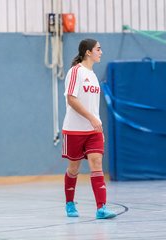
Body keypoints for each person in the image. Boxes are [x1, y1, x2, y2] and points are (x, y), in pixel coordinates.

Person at [61, 38, 117, 219]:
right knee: (74, 168)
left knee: (97, 164)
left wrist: (97, 126)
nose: (101, 52)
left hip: (93, 131)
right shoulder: (75, 72)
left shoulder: (93, 76)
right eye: (98, 49)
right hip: (74, 130)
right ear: (88, 52)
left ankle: (101, 208)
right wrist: (91, 118)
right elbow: (71, 99)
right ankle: (69, 203)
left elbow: (93, 107)